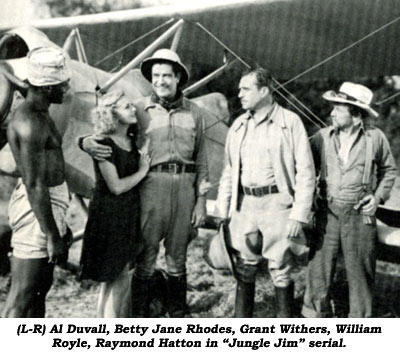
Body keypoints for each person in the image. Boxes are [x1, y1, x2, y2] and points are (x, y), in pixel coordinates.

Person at [79, 49, 208, 317]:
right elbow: (107, 126)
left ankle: (177, 313)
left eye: (167, 76)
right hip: (151, 187)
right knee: (146, 254)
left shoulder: (195, 112)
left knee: (178, 256)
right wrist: (86, 141)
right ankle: (137, 318)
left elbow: (202, 159)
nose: (160, 81)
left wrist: (201, 203)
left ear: (178, 78)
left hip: (185, 187)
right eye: (155, 75)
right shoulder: (137, 108)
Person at [216, 67, 315, 317]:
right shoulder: (238, 125)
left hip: (278, 204)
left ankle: (284, 325)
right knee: (245, 264)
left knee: (280, 266)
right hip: (245, 204)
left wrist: (298, 215)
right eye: (239, 89)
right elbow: (229, 170)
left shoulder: (290, 122)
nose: (239, 94)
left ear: (264, 90)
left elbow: (305, 171)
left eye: (245, 89)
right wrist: (223, 208)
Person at [302, 82, 397, 318]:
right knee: (318, 271)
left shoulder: (375, 138)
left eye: (338, 108)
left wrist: (377, 198)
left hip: (360, 215)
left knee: (360, 273)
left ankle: (359, 326)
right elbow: (302, 167)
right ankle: (313, 321)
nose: (331, 113)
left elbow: (389, 171)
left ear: (355, 114)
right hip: (327, 213)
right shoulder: (322, 137)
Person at [1, 47, 72, 317]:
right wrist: (52, 234)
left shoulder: (38, 110)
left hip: (47, 205)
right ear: (46, 87)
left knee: (41, 287)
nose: (66, 87)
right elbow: (34, 184)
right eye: (61, 83)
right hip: (37, 209)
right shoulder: (30, 122)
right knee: (22, 295)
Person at [78, 91, 151, 318]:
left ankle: (101, 323)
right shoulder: (103, 143)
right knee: (118, 278)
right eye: (125, 107)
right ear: (112, 114)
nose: (132, 109)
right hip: (109, 217)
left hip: (127, 214)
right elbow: (116, 186)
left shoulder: (131, 140)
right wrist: (143, 171)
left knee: (113, 278)